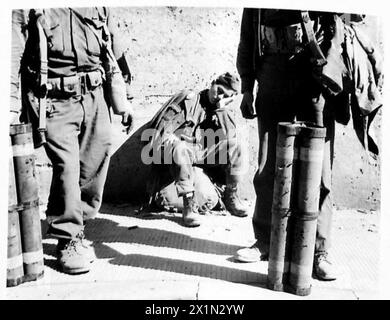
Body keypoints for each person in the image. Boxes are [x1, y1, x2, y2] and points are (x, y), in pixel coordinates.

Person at [10, 7, 134, 275]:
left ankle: (75, 223)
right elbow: (12, 51)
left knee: (95, 160)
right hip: (53, 97)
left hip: (95, 93)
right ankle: (68, 238)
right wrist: (9, 106)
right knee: (67, 166)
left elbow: (113, 44)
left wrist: (126, 97)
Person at [234, 8, 342, 280]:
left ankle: (318, 251)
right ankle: (266, 241)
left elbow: (337, 23)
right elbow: (247, 37)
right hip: (272, 72)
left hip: (312, 73)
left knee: (318, 170)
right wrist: (247, 86)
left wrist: (328, 69)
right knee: (269, 163)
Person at [146, 73, 250, 227]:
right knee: (180, 148)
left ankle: (231, 197)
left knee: (236, 145)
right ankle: (189, 205)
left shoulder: (222, 111)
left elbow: (230, 138)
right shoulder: (188, 100)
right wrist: (169, 137)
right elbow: (158, 130)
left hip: (200, 155)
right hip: (176, 155)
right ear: (212, 83)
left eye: (225, 96)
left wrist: (221, 110)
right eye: (219, 90)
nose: (219, 96)